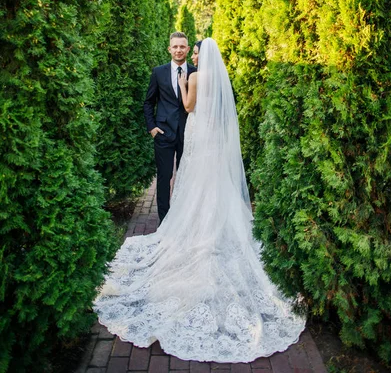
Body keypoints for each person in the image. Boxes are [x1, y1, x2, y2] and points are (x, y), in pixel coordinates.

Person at [94, 38, 306, 363]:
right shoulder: (218, 78)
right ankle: (214, 226)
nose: (189, 54)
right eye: (184, 49)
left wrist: (182, 83)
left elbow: (189, 106)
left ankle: (193, 229)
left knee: (192, 183)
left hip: (195, 131)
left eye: (192, 51)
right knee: (210, 184)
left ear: (198, 54)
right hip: (211, 136)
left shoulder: (192, 76)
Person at [143, 32, 197, 222]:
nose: (178, 50)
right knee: (164, 178)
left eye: (182, 46)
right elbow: (148, 102)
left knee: (186, 177)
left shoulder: (195, 72)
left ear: (188, 49)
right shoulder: (159, 72)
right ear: (169, 49)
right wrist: (152, 128)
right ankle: (164, 221)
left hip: (188, 133)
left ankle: (184, 219)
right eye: (175, 46)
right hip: (163, 133)